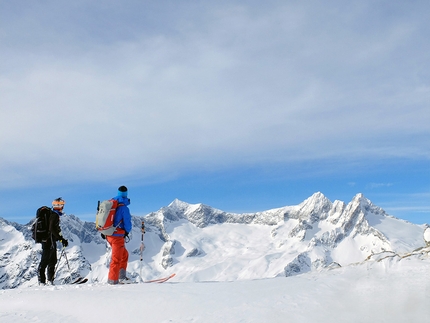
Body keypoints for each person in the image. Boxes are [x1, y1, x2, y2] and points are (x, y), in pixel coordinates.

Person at [38, 197, 69, 285]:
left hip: (49, 240)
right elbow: (52, 229)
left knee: (52, 260)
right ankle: (43, 281)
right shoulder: (54, 215)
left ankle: (49, 280)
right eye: (62, 205)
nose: (63, 206)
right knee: (46, 261)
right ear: (59, 206)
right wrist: (61, 239)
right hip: (48, 241)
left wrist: (60, 238)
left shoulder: (53, 214)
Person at [106, 186, 133, 284]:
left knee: (124, 255)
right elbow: (127, 223)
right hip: (117, 236)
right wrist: (127, 231)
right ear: (126, 194)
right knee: (116, 259)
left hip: (108, 234)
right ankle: (112, 281)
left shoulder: (111, 203)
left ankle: (121, 277)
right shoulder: (123, 208)